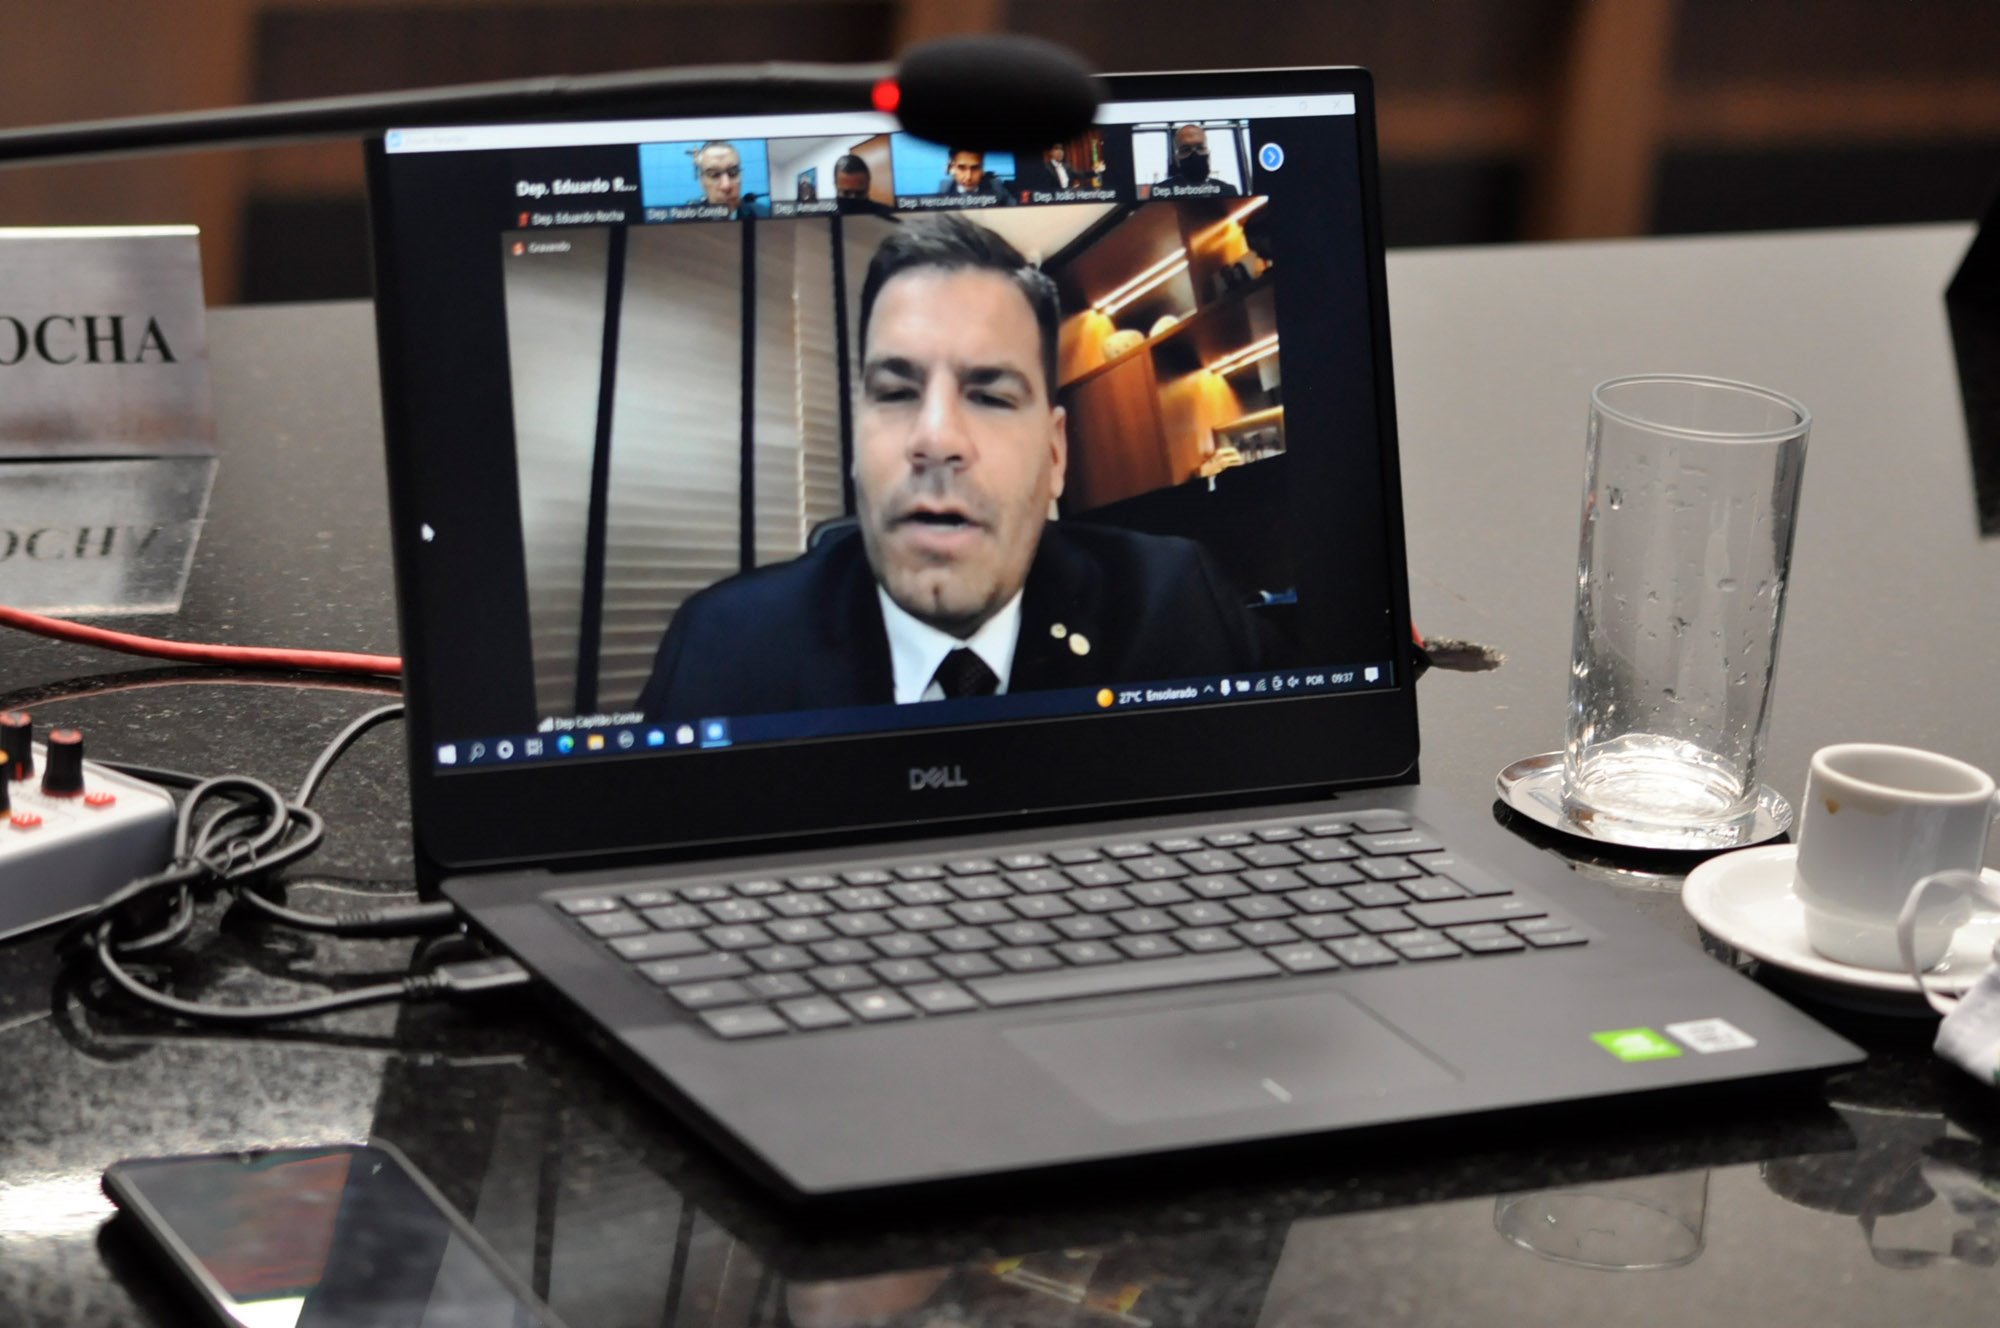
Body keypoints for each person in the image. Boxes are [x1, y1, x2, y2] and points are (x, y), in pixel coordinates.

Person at [636, 215, 1276, 721]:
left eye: (991, 396)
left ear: (1055, 455)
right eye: (895, 392)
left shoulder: (1177, 603)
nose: (936, 439)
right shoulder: (722, 648)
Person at [687, 141, 770, 218]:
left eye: (733, 172)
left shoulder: (764, 215)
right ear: (701, 181)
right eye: (714, 174)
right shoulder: (687, 217)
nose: (726, 186)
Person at [1158, 124, 1239, 196]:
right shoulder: (1160, 192)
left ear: (1208, 153)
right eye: (1186, 149)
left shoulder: (1227, 191)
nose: (1195, 154)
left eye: (1200, 148)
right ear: (1176, 158)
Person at [935, 148, 1016, 204]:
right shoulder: (944, 188)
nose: (968, 177)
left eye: (975, 168)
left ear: (982, 169)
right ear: (952, 168)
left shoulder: (995, 186)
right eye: (962, 168)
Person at [833, 153, 896, 218]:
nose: (853, 198)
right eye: (846, 193)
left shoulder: (888, 215)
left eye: (859, 193)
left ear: (868, 186)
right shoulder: (827, 216)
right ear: (836, 185)